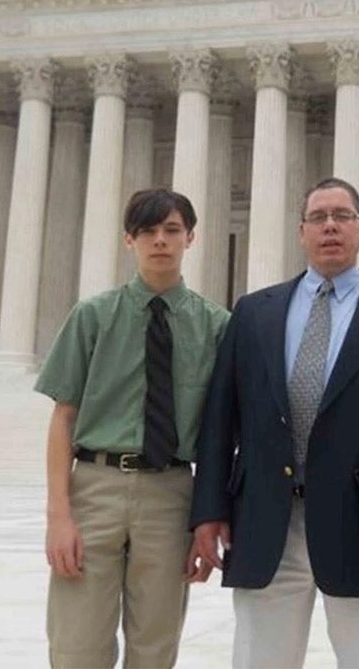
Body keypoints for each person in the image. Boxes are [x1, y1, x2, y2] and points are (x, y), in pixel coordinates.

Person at [189, 177, 359, 668]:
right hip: (268, 522)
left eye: (342, 216)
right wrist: (207, 510)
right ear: (301, 232)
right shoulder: (253, 314)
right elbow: (220, 420)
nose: (330, 226)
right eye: (318, 218)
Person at [37, 188, 230, 668]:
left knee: (156, 645)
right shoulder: (93, 316)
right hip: (95, 488)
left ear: (191, 237)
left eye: (171, 230)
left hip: (170, 492)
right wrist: (59, 517)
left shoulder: (216, 326)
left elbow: (222, 432)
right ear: (129, 240)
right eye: (148, 231)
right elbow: (63, 417)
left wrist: (207, 519)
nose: (160, 241)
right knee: (76, 644)